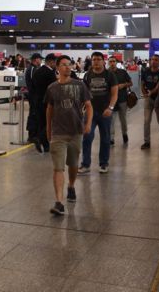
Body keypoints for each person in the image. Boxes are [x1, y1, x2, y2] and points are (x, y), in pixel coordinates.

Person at [45, 56, 92, 216]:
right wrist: (48, 128)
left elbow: (88, 106)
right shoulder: (52, 88)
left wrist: (88, 124)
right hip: (58, 133)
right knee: (58, 167)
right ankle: (59, 202)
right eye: (63, 65)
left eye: (69, 65)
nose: (67, 67)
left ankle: (71, 185)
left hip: (75, 132)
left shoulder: (79, 85)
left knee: (73, 164)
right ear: (57, 68)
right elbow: (49, 109)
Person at [79, 52, 118, 174]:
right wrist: (82, 108)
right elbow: (84, 94)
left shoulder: (110, 75)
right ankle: (86, 164)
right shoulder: (87, 75)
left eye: (98, 59)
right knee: (87, 137)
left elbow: (114, 94)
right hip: (90, 113)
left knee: (105, 139)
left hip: (105, 113)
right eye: (94, 59)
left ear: (103, 61)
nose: (96, 62)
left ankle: (104, 163)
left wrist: (110, 108)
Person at [29, 54, 58, 152]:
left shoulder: (37, 71)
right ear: (51, 62)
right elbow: (54, 88)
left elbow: (32, 86)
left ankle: (45, 145)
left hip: (37, 100)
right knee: (49, 122)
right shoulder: (50, 73)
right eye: (55, 63)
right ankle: (41, 138)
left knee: (41, 122)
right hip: (47, 102)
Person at [140, 55, 159, 149]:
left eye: (156, 60)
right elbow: (142, 84)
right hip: (148, 100)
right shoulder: (145, 72)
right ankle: (147, 142)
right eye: (152, 60)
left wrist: (151, 92)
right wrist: (144, 92)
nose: (153, 61)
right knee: (146, 121)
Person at [108, 57, 133, 145]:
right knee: (111, 119)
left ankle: (124, 134)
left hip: (122, 99)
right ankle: (111, 138)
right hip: (110, 100)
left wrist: (124, 85)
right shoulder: (106, 73)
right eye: (110, 61)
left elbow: (131, 83)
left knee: (123, 119)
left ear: (116, 62)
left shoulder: (122, 72)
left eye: (113, 61)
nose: (112, 63)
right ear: (108, 63)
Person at [24, 54, 43, 143]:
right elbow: (34, 82)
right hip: (34, 96)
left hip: (35, 95)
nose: (41, 61)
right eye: (40, 59)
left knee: (35, 114)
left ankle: (35, 134)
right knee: (33, 114)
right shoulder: (32, 69)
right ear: (36, 60)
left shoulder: (33, 68)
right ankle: (32, 135)